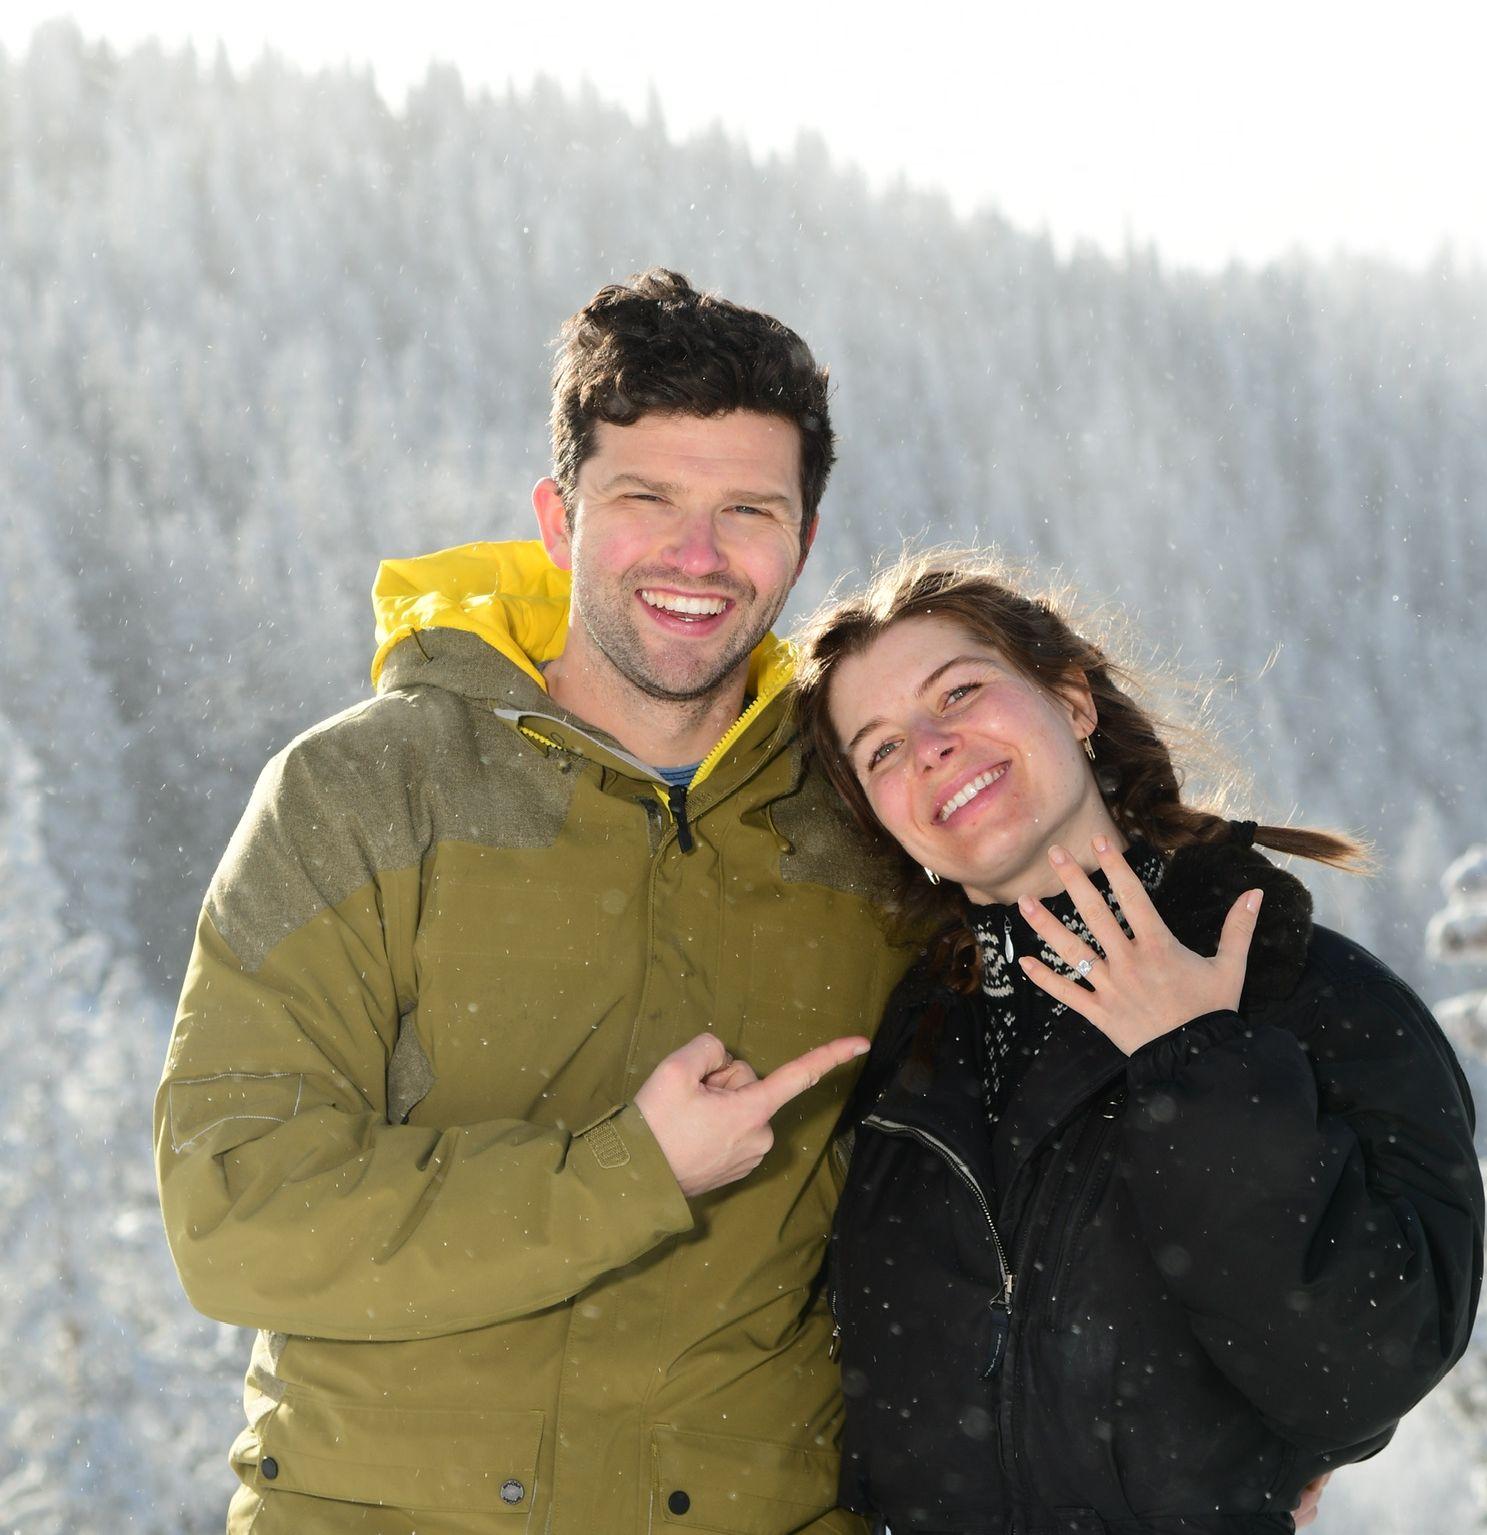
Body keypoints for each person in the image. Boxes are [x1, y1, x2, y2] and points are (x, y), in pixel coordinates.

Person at [153, 270, 917, 1534]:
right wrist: (628, 1173)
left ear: (804, 541)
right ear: (559, 518)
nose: (697, 555)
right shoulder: (362, 789)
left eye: (747, 510)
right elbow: (238, 1212)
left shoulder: (870, 825)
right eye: (646, 500)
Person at [793, 552, 1483, 1535]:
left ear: (1072, 699)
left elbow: (1365, 1367)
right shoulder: (901, 1056)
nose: (932, 746)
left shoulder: (1305, 994)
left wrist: (1198, 1059)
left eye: (961, 692)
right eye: (880, 749)